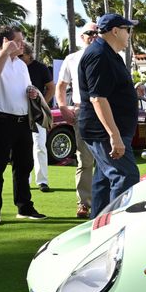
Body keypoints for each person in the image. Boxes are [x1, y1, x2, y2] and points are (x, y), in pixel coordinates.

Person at [0, 26, 46, 226]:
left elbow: (25, 88)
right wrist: (5, 53)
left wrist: (31, 93)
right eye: (19, 40)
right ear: (7, 41)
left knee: (23, 167)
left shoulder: (21, 65)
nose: (23, 43)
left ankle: (24, 208)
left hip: (21, 121)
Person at [77, 13, 140, 218]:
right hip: (104, 131)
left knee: (104, 180)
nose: (129, 34)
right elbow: (98, 98)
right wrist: (114, 135)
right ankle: (116, 228)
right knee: (125, 175)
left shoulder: (109, 53)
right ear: (115, 31)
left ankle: (99, 227)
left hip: (108, 130)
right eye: (127, 29)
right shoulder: (99, 54)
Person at [56, 22, 99, 218]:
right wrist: (63, 107)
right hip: (82, 110)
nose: (93, 35)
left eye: (97, 32)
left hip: (105, 111)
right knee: (85, 158)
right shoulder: (72, 59)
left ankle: (105, 202)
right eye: (89, 33)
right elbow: (61, 86)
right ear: (82, 37)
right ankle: (84, 203)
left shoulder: (110, 56)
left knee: (108, 157)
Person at [20, 47, 55, 193]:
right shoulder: (14, 67)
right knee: (22, 147)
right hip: (19, 113)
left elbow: (51, 88)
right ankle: (23, 181)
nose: (19, 57)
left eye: (22, 55)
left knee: (40, 145)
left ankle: (42, 181)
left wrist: (42, 105)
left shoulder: (41, 68)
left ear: (29, 55)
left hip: (36, 113)